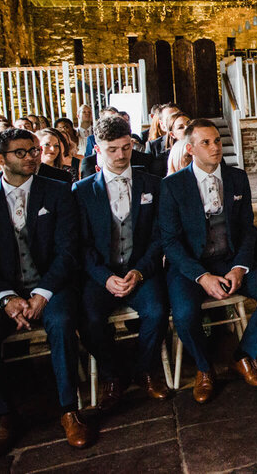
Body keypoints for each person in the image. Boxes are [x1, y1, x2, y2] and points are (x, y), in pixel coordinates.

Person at [0, 128, 95, 454]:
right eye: (21, 152)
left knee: (63, 322)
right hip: (4, 293)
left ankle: (69, 410)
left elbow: (68, 251)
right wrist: (7, 299)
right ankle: (6, 415)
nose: (32, 157)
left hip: (51, 285)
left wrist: (43, 293)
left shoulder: (58, 191)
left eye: (34, 150)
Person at [159, 120, 257, 404]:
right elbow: (170, 242)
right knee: (184, 314)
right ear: (190, 149)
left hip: (229, 260)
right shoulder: (172, 186)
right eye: (206, 143)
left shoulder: (236, 178)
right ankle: (204, 370)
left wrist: (239, 268)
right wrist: (201, 276)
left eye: (217, 140)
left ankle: (243, 356)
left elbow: (248, 228)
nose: (215, 147)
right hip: (190, 267)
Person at [74, 116, 170, 412]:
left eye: (126, 147)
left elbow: (160, 236)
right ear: (97, 150)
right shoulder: (82, 191)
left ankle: (144, 369)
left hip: (141, 268)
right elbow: (80, 245)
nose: (120, 155)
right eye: (112, 149)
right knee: (88, 320)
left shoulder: (152, 183)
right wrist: (104, 278)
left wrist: (140, 271)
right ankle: (112, 376)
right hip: (100, 274)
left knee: (157, 311)